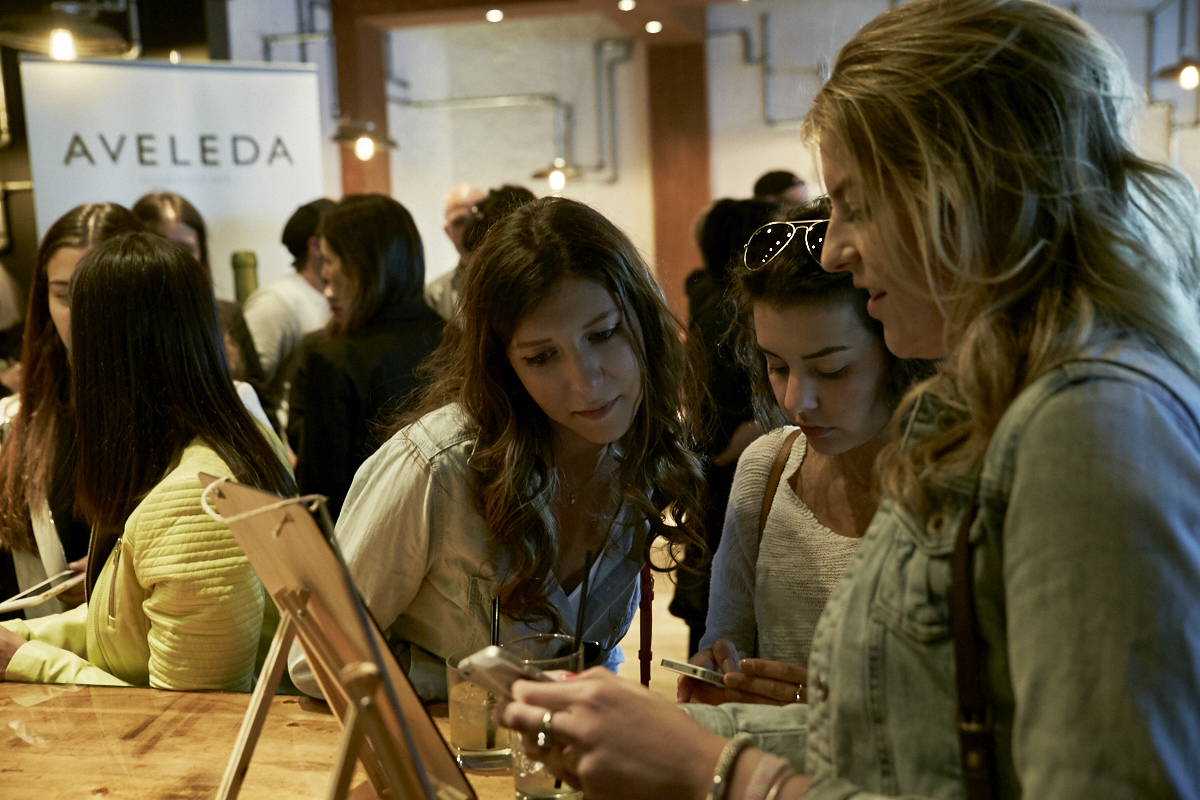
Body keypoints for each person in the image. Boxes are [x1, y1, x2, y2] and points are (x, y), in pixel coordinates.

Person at [498, 1, 1200, 798]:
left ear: (966, 192)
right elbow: (912, 738)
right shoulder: (1002, 403)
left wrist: (720, 773)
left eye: (857, 203)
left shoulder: (1089, 424)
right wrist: (672, 731)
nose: (835, 247)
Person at [288, 197, 706, 701]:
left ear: (642, 318)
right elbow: (315, 658)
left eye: (603, 334)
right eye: (542, 356)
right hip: (447, 761)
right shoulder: (436, 470)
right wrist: (478, 681)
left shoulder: (645, 452)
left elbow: (587, 650)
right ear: (505, 366)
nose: (586, 381)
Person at [0, 232, 296, 689]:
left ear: (106, 357)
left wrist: (27, 660)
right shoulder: (230, 434)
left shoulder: (192, 499)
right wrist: (20, 638)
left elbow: (193, 716)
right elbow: (125, 629)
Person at [681, 200, 932, 708]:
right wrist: (717, 680)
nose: (796, 400)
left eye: (832, 370)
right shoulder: (766, 470)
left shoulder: (957, 484)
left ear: (900, 351)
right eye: (776, 366)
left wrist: (818, 705)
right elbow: (725, 648)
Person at [0, 204, 144, 620]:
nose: (79, 315)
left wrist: (120, 579)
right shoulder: (20, 422)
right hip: (44, 669)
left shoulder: (189, 418)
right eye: (62, 295)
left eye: (97, 296)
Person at [286, 194, 443, 517]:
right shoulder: (461, 339)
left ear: (358, 266)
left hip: (370, 545)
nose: (325, 276)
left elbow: (320, 496)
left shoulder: (334, 360)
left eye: (329, 261)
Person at [670, 198, 776, 655]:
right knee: (723, 610)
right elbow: (716, 427)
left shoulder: (709, 302)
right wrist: (755, 435)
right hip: (728, 479)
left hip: (721, 478)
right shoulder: (726, 314)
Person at [132, 191, 268, 406]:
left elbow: (261, 400)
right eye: (162, 246)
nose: (173, 258)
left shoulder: (228, 315)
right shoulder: (125, 323)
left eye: (185, 249)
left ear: (201, 253)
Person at [243, 198, 334, 430]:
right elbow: (247, 386)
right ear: (315, 246)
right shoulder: (277, 301)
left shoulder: (338, 297)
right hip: (288, 453)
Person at [425, 183, 486, 322]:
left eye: (477, 218)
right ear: (448, 232)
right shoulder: (436, 296)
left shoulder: (515, 280)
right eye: (460, 221)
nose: (471, 227)